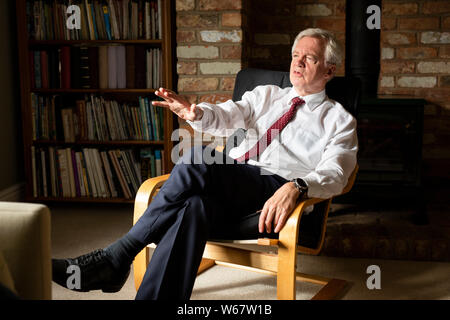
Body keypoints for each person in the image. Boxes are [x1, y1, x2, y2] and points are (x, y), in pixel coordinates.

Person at [52, 28, 358, 300]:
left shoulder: (339, 120)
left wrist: (298, 185)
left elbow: (338, 174)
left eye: (309, 58)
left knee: (199, 158)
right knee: (193, 206)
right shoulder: (268, 95)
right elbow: (228, 114)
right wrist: (195, 114)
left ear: (329, 70)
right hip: (236, 182)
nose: (298, 62)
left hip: (276, 191)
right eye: (295, 55)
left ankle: (116, 257)